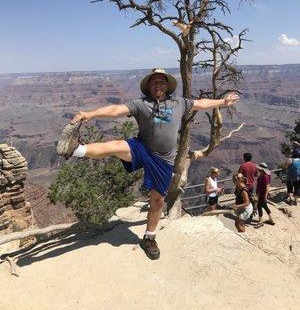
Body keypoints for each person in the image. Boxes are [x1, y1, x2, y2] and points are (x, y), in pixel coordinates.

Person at [56, 68, 239, 260]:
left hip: (164, 159)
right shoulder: (141, 104)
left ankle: (149, 238)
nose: (157, 85)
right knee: (117, 146)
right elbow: (116, 110)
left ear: (167, 85)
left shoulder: (179, 103)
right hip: (143, 148)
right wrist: (89, 114)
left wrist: (222, 102)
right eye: (154, 82)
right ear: (149, 87)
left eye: (161, 82)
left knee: (158, 200)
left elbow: (201, 103)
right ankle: (75, 150)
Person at [255, 163, 275, 228]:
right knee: (265, 206)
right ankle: (271, 220)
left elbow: (267, 186)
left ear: (262, 169)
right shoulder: (262, 174)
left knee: (259, 207)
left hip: (262, 194)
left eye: (259, 168)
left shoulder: (265, 176)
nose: (257, 169)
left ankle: (260, 222)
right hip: (260, 193)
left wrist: (265, 196)